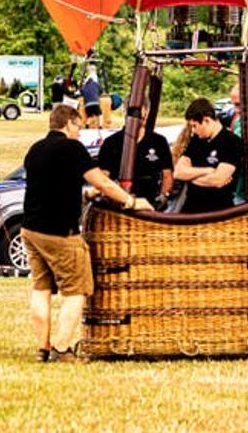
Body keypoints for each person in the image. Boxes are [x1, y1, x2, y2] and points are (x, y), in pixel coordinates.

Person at [22, 104, 151, 363]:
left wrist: (86, 195)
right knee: (77, 290)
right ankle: (62, 348)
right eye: (79, 127)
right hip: (60, 233)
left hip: (30, 229)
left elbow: (52, 187)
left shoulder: (35, 149)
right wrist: (131, 202)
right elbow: (102, 181)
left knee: (41, 288)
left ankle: (43, 348)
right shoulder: (72, 148)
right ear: (69, 123)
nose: (80, 133)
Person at [97, 99, 174, 209]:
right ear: (125, 114)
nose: (139, 118)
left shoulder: (159, 141)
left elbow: (167, 175)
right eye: (134, 114)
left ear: (146, 113)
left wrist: (162, 198)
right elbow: (103, 177)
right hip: (120, 203)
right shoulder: (111, 143)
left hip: (151, 205)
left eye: (141, 113)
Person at [174, 98, 242, 213]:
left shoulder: (231, 142)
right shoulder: (196, 140)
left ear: (206, 120)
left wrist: (190, 177)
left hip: (218, 211)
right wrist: (208, 170)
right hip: (190, 209)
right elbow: (178, 172)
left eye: (195, 126)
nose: (193, 131)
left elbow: (217, 180)